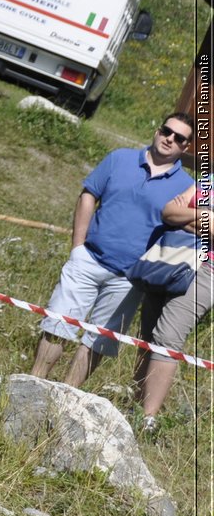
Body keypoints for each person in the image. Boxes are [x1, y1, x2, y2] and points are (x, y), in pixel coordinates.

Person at [30, 112, 194, 388]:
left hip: (129, 280)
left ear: (185, 147)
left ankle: (67, 399)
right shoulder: (120, 158)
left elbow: (193, 229)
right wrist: (77, 247)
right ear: (157, 130)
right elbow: (88, 195)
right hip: (88, 259)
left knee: (98, 342)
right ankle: (32, 386)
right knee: (57, 327)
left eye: (179, 138)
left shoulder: (188, 188)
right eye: (167, 131)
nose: (170, 139)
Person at [129, 150, 209, 431]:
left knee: (168, 336)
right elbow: (168, 211)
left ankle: (147, 419)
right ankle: (134, 405)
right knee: (148, 332)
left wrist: (189, 218)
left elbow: (182, 215)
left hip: (207, 270)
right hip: (172, 256)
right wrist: (199, 219)